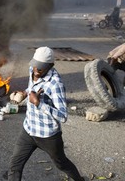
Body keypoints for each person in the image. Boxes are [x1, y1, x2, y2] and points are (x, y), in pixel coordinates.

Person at [7, 46, 84, 181]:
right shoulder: (33, 70)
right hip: (29, 129)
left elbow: (63, 115)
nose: (36, 70)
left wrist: (39, 103)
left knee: (62, 164)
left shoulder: (55, 84)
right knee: (15, 165)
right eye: (35, 65)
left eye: (41, 67)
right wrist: (24, 93)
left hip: (48, 136)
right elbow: (31, 87)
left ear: (50, 66)